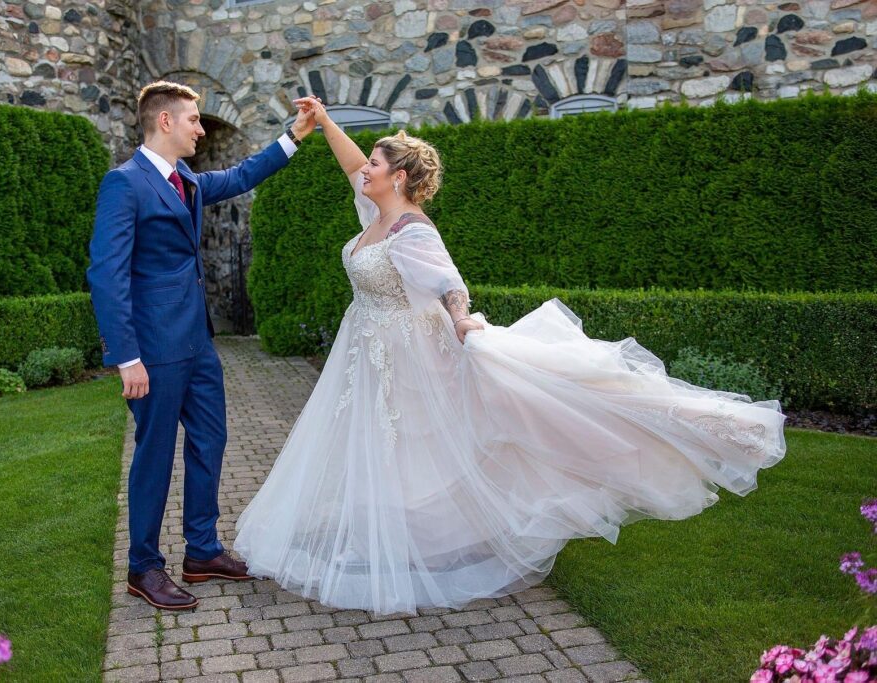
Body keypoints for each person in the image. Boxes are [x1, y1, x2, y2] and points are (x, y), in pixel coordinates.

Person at [232, 95, 788, 616]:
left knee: (425, 439)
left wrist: (461, 322)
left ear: (397, 177)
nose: (365, 169)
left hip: (410, 351)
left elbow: (452, 285)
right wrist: (327, 123)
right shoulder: (373, 214)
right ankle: (401, 529)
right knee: (386, 441)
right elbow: (350, 165)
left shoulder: (410, 229)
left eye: (375, 163)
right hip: (371, 350)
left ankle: (435, 536)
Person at [87, 81, 318, 610]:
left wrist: (294, 137)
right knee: (154, 456)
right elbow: (107, 274)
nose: (200, 127)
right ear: (165, 122)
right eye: (193, 119)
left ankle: (203, 550)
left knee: (210, 441)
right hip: (155, 350)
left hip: (198, 343)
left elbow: (239, 176)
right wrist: (127, 356)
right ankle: (144, 567)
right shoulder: (124, 184)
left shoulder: (185, 178)